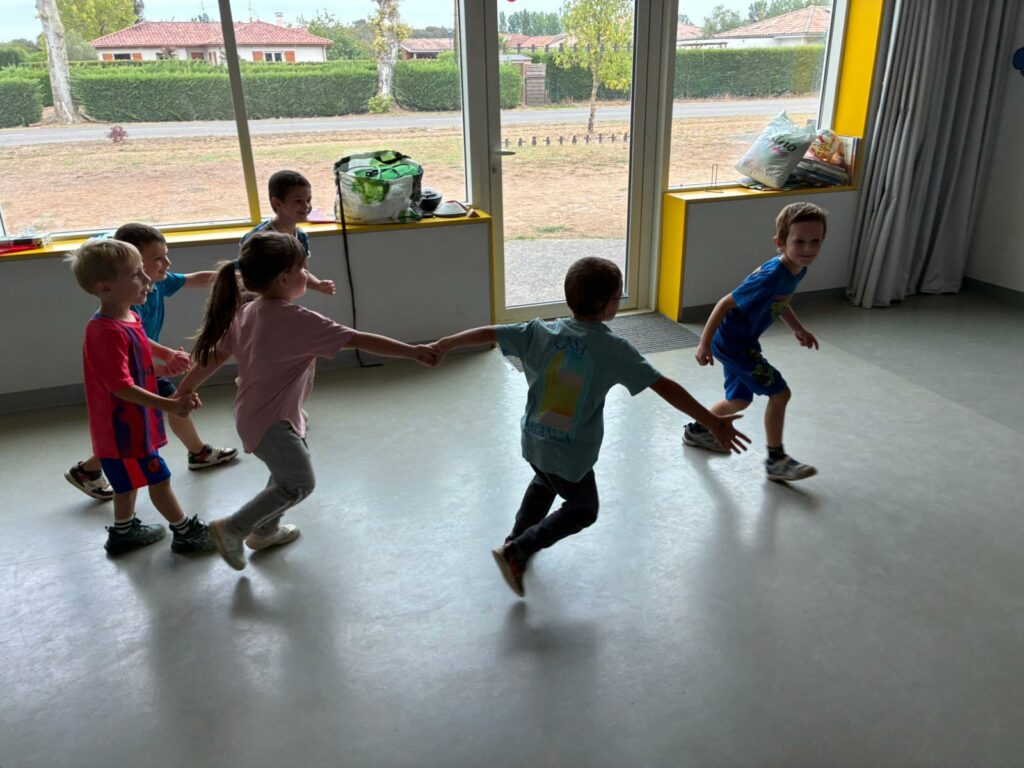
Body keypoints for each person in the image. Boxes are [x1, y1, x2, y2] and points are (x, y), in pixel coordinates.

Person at [431, 256, 749, 598]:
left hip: (534, 441)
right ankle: (517, 551)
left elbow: (489, 332)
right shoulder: (612, 349)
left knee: (544, 482)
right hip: (570, 453)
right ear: (607, 306)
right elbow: (664, 386)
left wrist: (444, 344)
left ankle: (515, 541)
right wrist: (711, 421)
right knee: (583, 509)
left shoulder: (538, 331)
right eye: (619, 296)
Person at [178, 231, 439, 571]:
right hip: (271, 421)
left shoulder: (249, 311)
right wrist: (413, 352)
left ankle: (265, 530)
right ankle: (233, 528)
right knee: (300, 482)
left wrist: (185, 388)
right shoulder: (296, 320)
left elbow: (214, 356)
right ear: (283, 279)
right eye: (302, 268)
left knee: (284, 473)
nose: (307, 274)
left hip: (260, 413)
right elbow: (358, 339)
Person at [65, 224, 238, 500]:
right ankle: (197, 453)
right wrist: (163, 360)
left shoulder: (156, 284)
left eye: (165, 256)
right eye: (158, 258)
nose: (166, 264)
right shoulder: (126, 301)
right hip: (135, 370)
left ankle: (89, 469)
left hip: (144, 366)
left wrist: (232, 276)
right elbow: (132, 343)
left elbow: (195, 279)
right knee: (147, 420)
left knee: (140, 424)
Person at [66, 238, 215, 555]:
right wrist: (170, 404)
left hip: (134, 422)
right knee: (159, 479)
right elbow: (120, 386)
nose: (148, 279)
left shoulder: (128, 317)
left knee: (126, 483)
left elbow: (139, 346)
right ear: (106, 287)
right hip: (122, 428)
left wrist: (165, 359)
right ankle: (185, 532)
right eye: (136, 274)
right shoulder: (103, 332)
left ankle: (123, 532)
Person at [683, 201, 826, 482]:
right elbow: (725, 303)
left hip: (738, 342)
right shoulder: (772, 275)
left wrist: (797, 329)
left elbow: (780, 302)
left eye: (815, 241)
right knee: (780, 394)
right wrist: (704, 343)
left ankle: (698, 431)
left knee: (738, 400)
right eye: (799, 241)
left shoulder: (798, 268)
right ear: (780, 243)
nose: (808, 249)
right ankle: (776, 460)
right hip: (736, 345)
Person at [241, 169, 335, 296]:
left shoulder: (301, 237)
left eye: (308, 200)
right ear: (277, 203)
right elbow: (247, 277)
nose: (306, 206)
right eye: (298, 201)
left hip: (281, 301)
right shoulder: (258, 238)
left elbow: (302, 272)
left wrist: (318, 285)